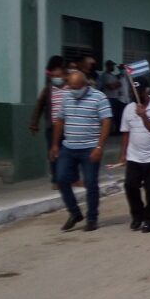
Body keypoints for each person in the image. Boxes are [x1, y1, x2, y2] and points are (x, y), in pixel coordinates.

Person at [49, 71, 112, 232]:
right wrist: (55, 144)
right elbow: (60, 120)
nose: (73, 90)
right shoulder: (67, 96)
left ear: (85, 85)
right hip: (68, 147)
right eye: (71, 87)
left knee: (90, 183)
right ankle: (75, 213)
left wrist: (99, 147)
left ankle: (92, 218)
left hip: (90, 148)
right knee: (61, 179)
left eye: (76, 87)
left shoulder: (99, 97)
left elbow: (106, 122)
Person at [114, 76, 150, 233]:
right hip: (134, 156)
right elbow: (126, 134)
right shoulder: (128, 109)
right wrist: (123, 154)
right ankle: (137, 215)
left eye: (138, 91)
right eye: (132, 91)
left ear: (146, 91)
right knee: (130, 186)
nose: (134, 94)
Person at [29, 55, 70, 188]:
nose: (54, 74)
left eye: (57, 71)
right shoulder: (48, 89)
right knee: (53, 153)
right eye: (52, 72)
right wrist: (34, 123)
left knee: (69, 153)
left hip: (70, 127)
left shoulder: (71, 88)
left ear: (63, 72)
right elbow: (39, 106)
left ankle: (67, 176)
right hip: (52, 127)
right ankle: (56, 179)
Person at [98, 60, 125, 135]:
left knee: (116, 116)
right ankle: (108, 132)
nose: (113, 67)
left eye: (113, 65)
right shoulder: (105, 75)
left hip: (116, 98)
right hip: (109, 98)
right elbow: (111, 87)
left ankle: (115, 131)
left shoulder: (113, 76)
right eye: (111, 65)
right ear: (107, 66)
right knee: (110, 116)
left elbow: (118, 85)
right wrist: (118, 84)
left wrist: (117, 84)